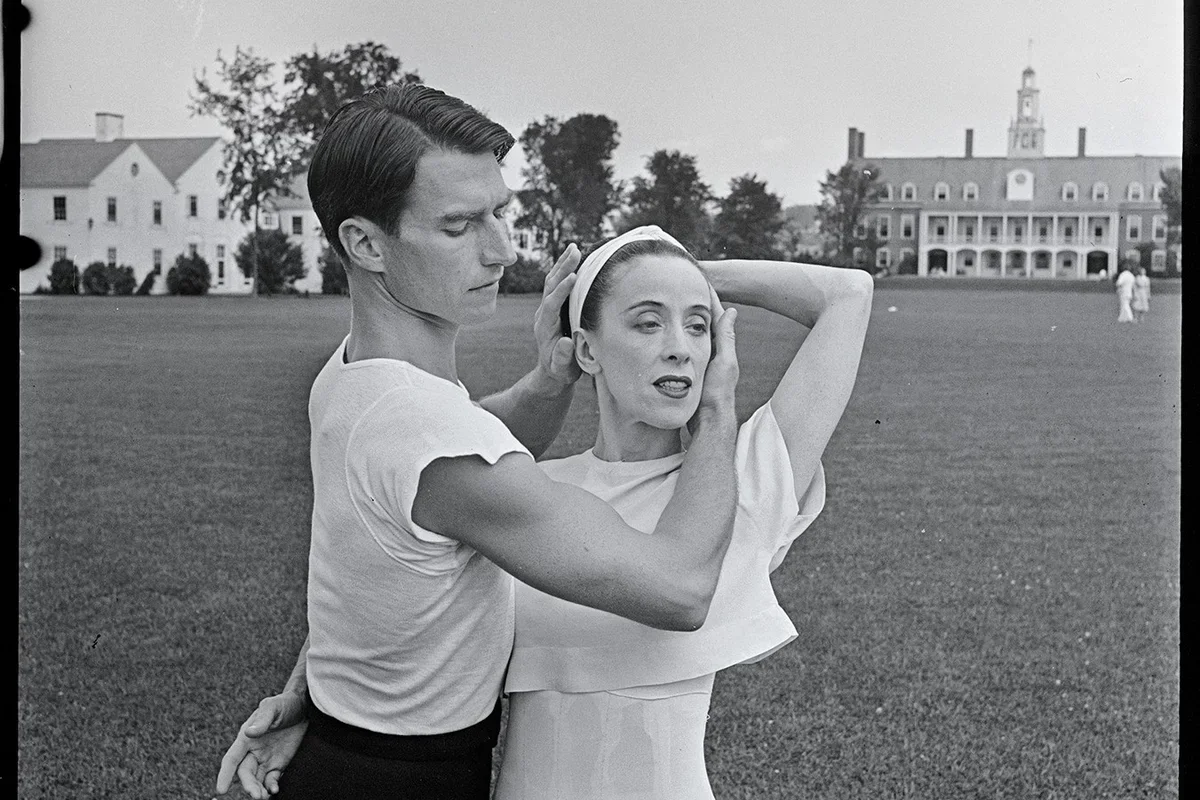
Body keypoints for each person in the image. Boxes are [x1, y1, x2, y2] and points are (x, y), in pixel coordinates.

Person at [215, 85, 743, 800]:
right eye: (460, 226)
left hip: (348, 749)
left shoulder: (357, 379)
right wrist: (714, 410)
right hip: (403, 783)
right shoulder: (437, 439)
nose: (500, 249)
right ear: (365, 243)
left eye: (500, 211)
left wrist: (546, 384)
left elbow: (418, 499)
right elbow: (678, 589)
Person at [220, 224, 873, 799]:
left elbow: (848, 293)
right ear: (587, 348)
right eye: (646, 321)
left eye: (698, 325)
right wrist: (306, 699)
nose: (680, 347)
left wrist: (675, 269)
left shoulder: (738, 480)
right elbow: (373, 561)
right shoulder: (529, 493)